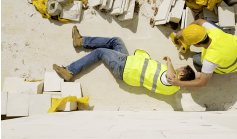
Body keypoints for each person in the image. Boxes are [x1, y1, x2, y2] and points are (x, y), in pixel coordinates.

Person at [52, 26, 196, 95]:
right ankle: (81, 41)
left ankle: (70, 71)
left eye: (180, 69)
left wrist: (169, 62)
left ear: (182, 74)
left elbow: (170, 77)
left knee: (100, 52)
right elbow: (152, 72)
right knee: (116, 41)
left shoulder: (172, 80)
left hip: (125, 68)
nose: (177, 68)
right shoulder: (172, 90)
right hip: (129, 64)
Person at [168, 19, 237, 88]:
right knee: (211, 25)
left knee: (196, 59)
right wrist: (185, 32)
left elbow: (202, 83)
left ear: (197, 44)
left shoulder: (209, 60)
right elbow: (199, 21)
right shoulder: (213, 31)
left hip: (231, 66)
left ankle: (210, 72)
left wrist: (179, 83)